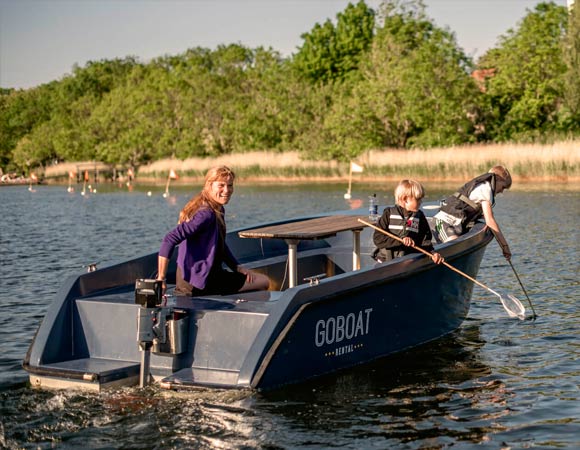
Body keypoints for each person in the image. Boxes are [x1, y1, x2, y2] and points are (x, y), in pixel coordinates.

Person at [157, 165, 270, 296]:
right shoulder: (206, 214)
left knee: (252, 279)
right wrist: (161, 278)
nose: (227, 190)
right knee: (264, 282)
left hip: (205, 276)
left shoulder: (215, 208)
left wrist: (237, 267)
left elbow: (219, 243)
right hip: (198, 284)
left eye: (230, 185)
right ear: (209, 185)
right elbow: (170, 239)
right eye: (221, 185)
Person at [434, 165, 512, 261]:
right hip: (443, 222)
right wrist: (504, 246)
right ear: (497, 178)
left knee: (459, 247)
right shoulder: (485, 188)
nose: (501, 191)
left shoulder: (486, 188)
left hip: (456, 224)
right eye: (503, 187)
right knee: (454, 247)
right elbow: (490, 221)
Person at [372, 179, 443, 265]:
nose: (421, 202)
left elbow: (425, 242)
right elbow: (378, 239)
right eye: (418, 199)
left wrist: (432, 253)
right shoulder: (388, 214)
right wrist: (400, 240)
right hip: (385, 262)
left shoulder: (419, 217)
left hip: (406, 262)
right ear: (405, 199)